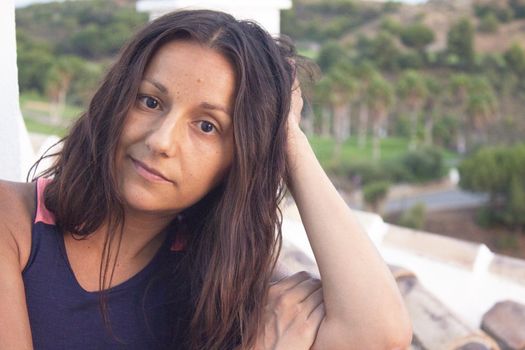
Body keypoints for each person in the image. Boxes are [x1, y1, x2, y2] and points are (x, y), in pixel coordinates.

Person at [0, 9, 412, 350]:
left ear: (239, 161)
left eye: (208, 126)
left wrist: (288, 140)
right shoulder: (12, 224)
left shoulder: (222, 281)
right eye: (150, 101)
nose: (161, 141)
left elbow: (378, 334)